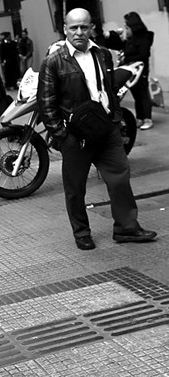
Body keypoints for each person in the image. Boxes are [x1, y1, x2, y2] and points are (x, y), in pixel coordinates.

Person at [38, 8, 156, 251]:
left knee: (120, 178)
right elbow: (46, 104)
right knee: (75, 188)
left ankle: (126, 228)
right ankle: (81, 232)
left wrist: (115, 119)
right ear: (65, 29)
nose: (79, 32)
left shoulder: (102, 54)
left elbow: (108, 88)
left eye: (84, 27)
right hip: (75, 136)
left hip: (106, 131)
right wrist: (62, 137)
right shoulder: (53, 61)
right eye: (74, 28)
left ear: (91, 27)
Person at [104, 11, 154, 130]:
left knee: (143, 94)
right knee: (136, 95)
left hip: (140, 70)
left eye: (127, 27)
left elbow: (143, 55)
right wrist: (112, 35)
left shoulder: (144, 38)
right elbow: (119, 46)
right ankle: (140, 118)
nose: (126, 30)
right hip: (130, 70)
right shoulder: (129, 40)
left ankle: (147, 118)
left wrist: (126, 58)